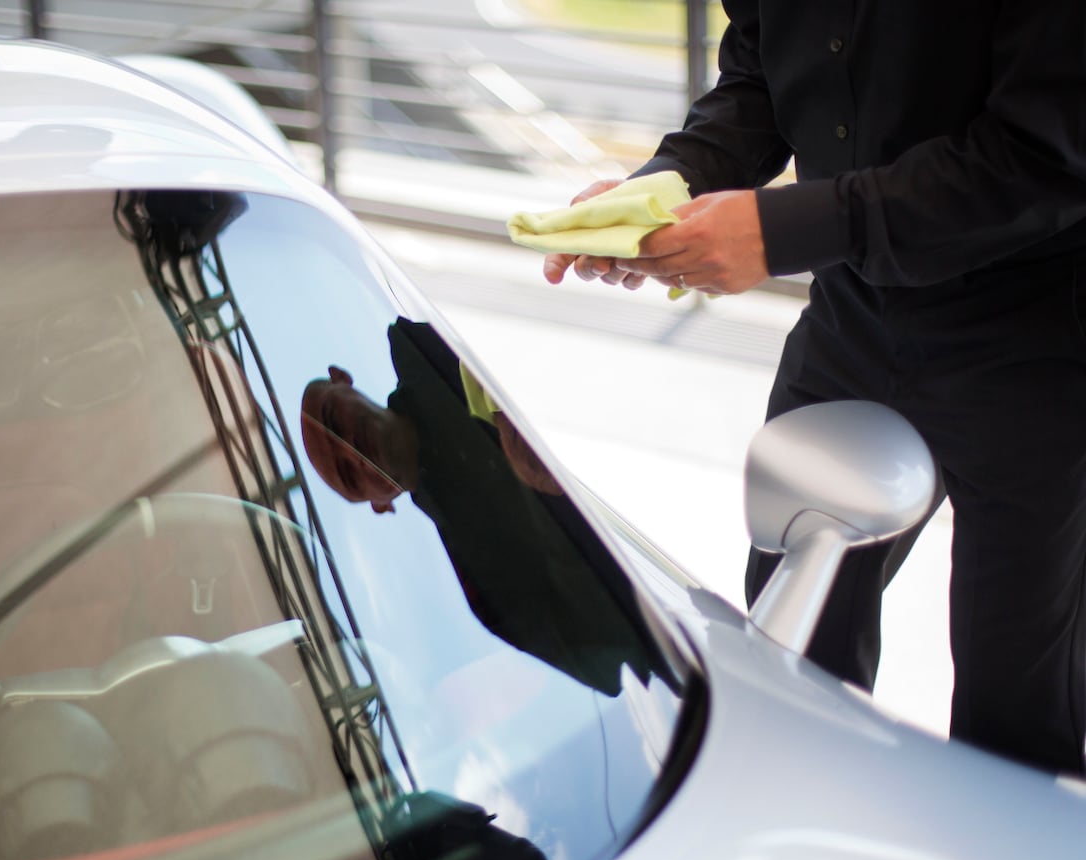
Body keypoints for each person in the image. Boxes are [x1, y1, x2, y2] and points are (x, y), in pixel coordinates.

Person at [542, 1, 1086, 775]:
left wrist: (783, 230)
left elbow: (1045, 155)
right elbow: (760, 80)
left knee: (1021, 710)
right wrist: (666, 186)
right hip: (851, 317)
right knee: (791, 650)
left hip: (1037, 338)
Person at [300, 317, 664, 697]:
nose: (353, 450)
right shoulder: (485, 586)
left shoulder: (428, 337)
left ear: (341, 378)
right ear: (379, 505)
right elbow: (614, 663)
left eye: (333, 422)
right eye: (348, 473)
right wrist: (549, 503)